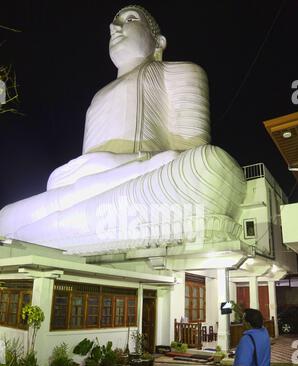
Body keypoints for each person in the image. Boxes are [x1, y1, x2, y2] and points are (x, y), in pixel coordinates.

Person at [0, 5, 245, 251]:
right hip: (99, 190)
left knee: (208, 165)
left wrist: (117, 163)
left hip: (149, 176)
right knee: (6, 215)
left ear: (158, 42)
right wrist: (83, 171)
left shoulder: (183, 72)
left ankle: (38, 233)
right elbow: (83, 172)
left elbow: (190, 155)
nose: (115, 28)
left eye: (129, 19)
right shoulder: (97, 97)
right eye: (113, 24)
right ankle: (51, 229)